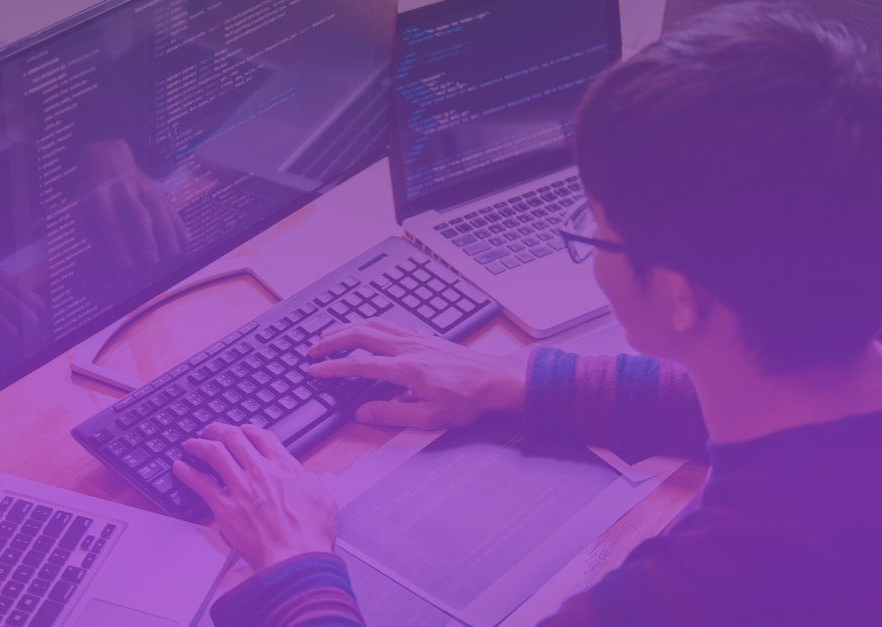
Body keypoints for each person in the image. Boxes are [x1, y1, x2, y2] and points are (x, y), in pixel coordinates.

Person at [169, 4, 882, 625]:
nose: (592, 248)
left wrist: (295, 565)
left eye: (596, 227)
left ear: (679, 296)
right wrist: (520, 379)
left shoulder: (708, 585)